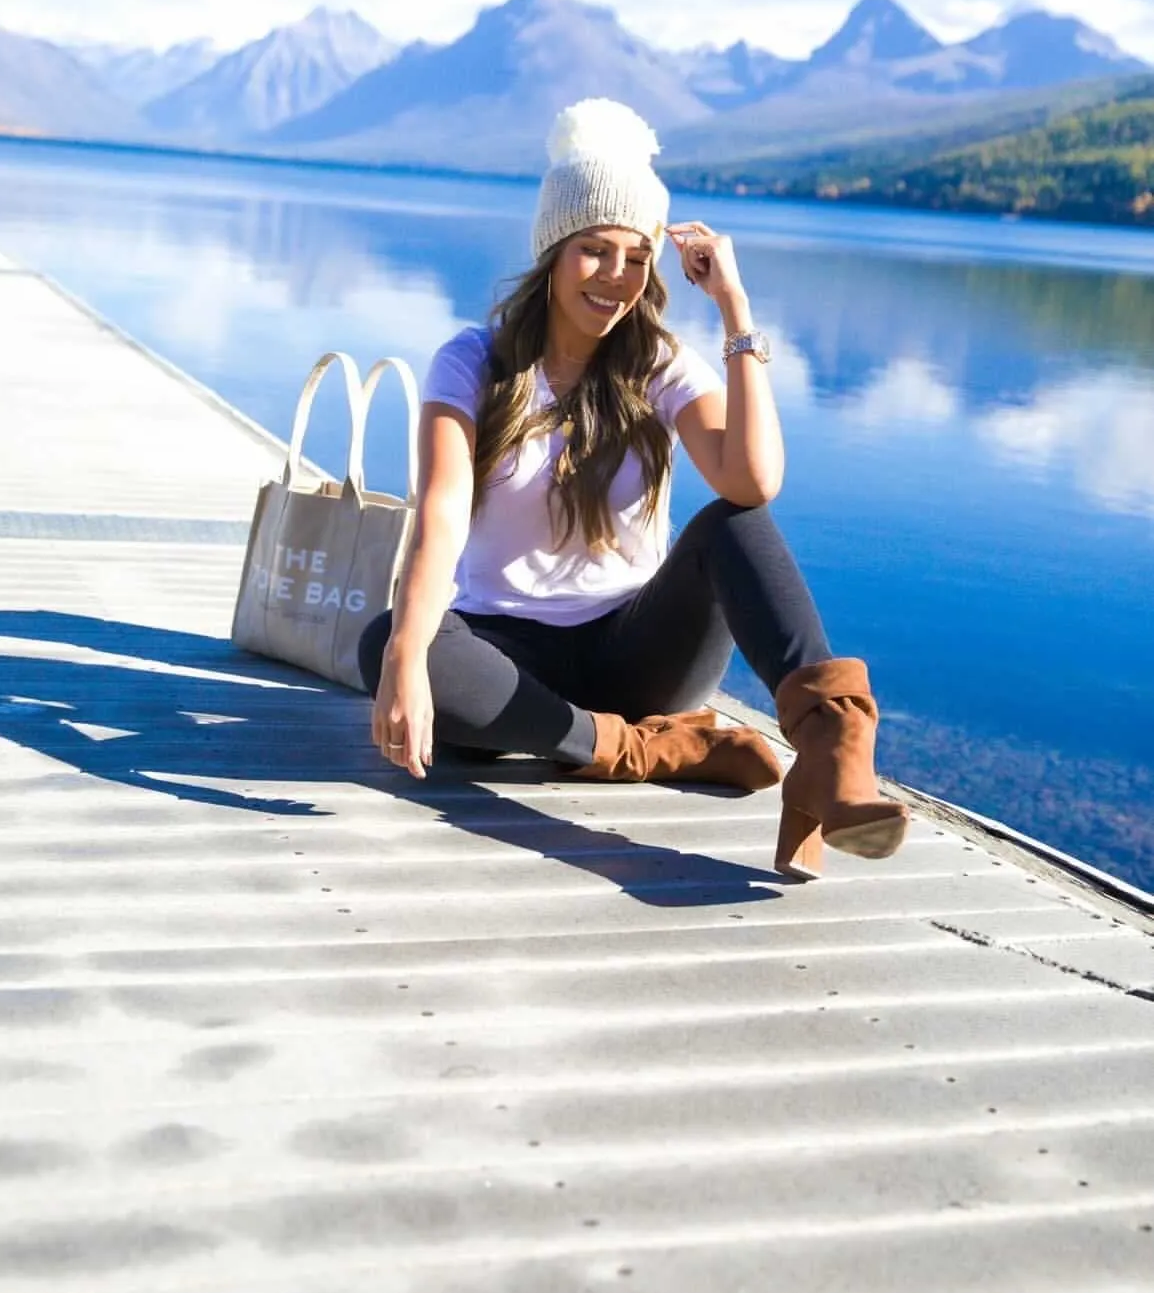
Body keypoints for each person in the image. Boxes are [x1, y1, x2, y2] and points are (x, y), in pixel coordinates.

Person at [359, 98, 908, 880]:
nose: (617, 278)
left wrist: (734, 309)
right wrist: (411, 657)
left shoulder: (659, 364)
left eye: (635, 256)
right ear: (552, 251)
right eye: (594, 250)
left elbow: (753, 481)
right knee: (387, 640)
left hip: (639, 653)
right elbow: (440, 510)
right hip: (507, 656)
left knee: (732, 523)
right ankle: (648, 748)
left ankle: (832, 751)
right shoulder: (473, 361)